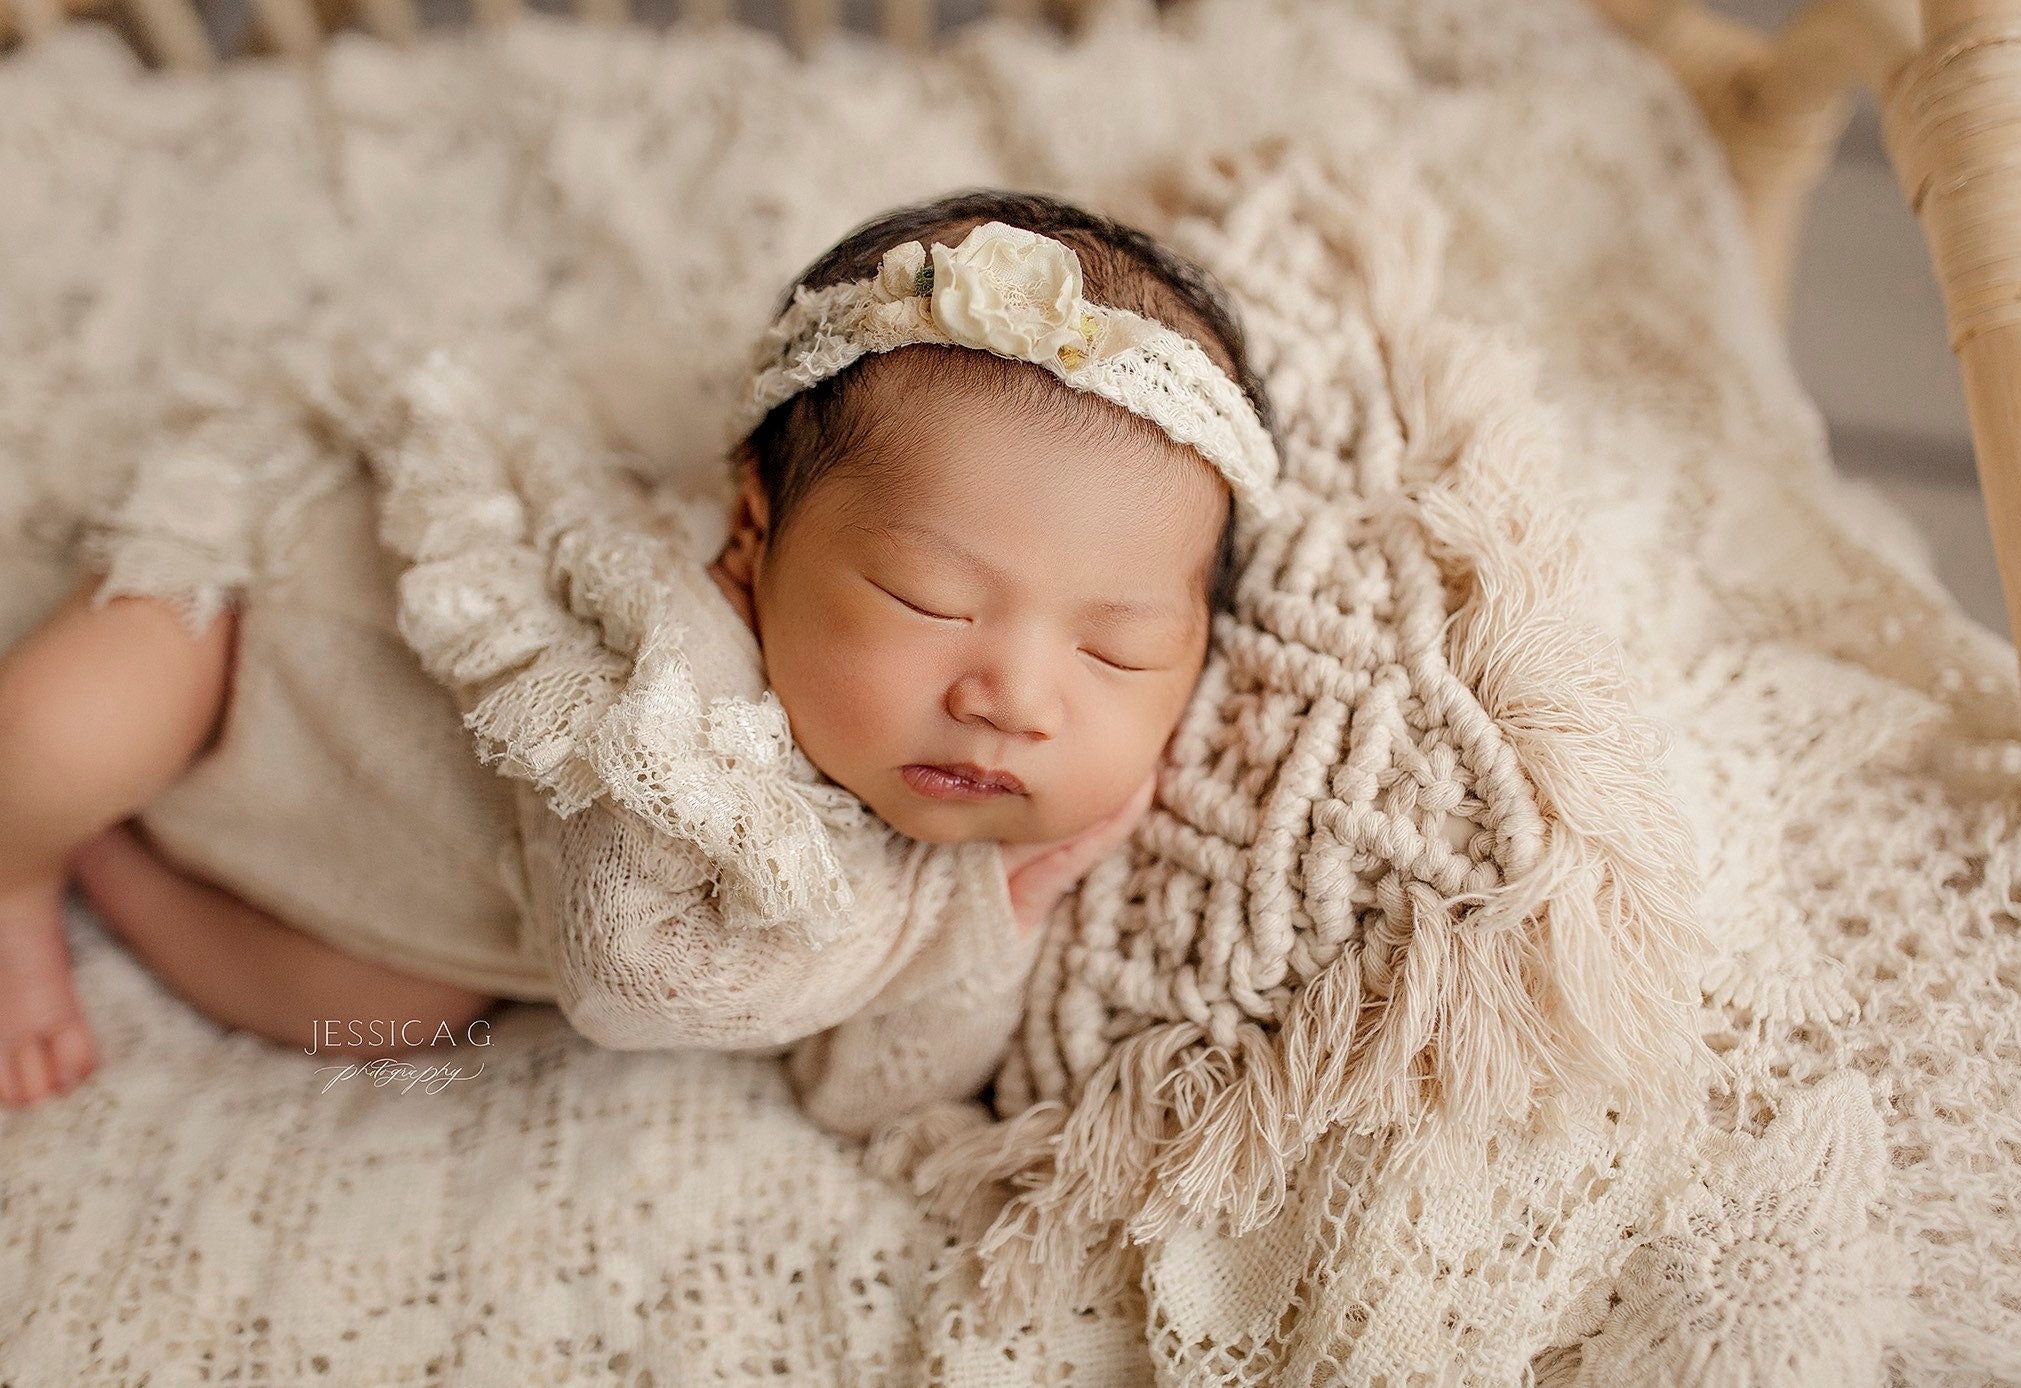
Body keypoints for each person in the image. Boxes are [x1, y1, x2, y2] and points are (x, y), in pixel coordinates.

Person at [0, 190, 1286, 1134]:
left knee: (389, 1020)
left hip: (379, 879)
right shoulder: (673, 675)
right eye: (928, 599)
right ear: (753, 527)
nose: (1009, 694)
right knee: (61, 735)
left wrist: (999, 919)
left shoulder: (942, 842)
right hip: (254, 634)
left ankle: (112, 870)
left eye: (1118, 650)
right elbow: (626, 982)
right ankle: (21, 867)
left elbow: (864, 1090)